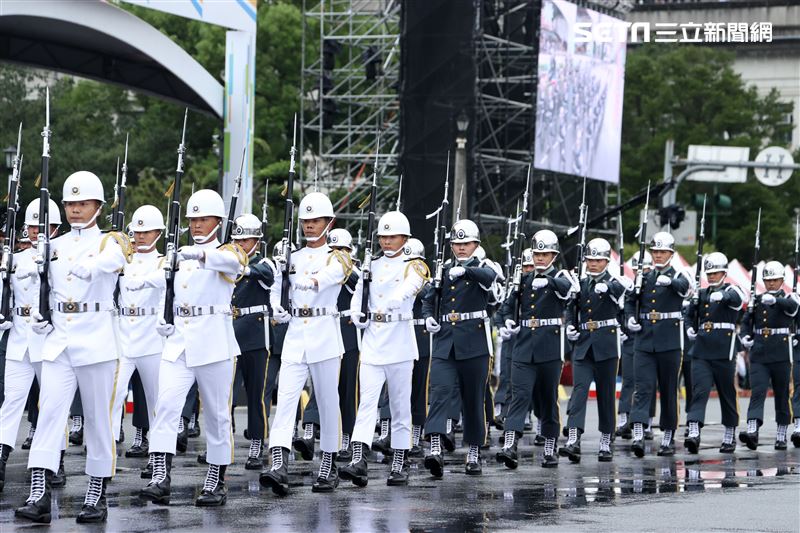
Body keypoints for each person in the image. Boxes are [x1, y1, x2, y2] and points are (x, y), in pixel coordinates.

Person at [16, 171, 128, 523]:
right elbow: (43, 287)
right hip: (58, 340)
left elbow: (117, 260)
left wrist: (90, 267)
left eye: (82, 203)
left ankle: (96, 493)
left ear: (97, 206)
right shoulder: (55, 245)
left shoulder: (110, 241)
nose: (75, 210)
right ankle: (38, 493)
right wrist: (37, 314)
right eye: (70, 204)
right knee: (48, 415)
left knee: (97, 420)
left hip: (95, 340)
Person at [139, 189, 245, 507]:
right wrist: (161, 317)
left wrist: (198, 255)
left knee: (216, 414)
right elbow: (166, 288)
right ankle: (160, 476)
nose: (196, 225)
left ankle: (215, 479)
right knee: (166, 406)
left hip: (214, 342)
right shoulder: (179, 255)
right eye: (193, 219)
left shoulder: (228, 252)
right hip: (179, 341)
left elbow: (235, 264)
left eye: (203, 219)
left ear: (217, 221)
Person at [260, 192, 352, 496]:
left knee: (327, 403)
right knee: (285, 400)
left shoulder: (338, 256)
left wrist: (301, 280)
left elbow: (325, 278)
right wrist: (277, 306)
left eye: (315, 221)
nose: (309, 226)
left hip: (325, 333)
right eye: (305, 221)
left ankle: (329, 464)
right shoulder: (292, 257)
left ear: (329, 222)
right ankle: (278, 464)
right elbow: (275, 288)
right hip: (296, 334)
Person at [340, 211, 427, 487]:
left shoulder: (414, 265)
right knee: (367, 403)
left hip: (400, 340)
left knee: (401, 407)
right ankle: (358, 459)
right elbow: (358, 296)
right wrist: (356, 314)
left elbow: (411, 288)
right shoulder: (372, 265)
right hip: (374, 340)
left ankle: (400, 462)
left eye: (392, 236)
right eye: (383, 237)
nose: (387, 241)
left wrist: (391, 301)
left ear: (404, 238)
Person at [422, 219, 498, 477]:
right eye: (457, 243)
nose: (461, 248)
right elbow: (429, 296)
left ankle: (474, 451)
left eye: (466, 243)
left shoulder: (484, 265)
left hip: (474, 342)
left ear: (476, 244)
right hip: (446, 340)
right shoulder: (444, 267)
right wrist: (428, 316)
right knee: (440, 391)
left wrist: (466, 271)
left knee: (473, 399)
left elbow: (490, 280)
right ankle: (435, 447)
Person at [0, 199, 65, 492]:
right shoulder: (14, 260)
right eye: (35, 225)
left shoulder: (61, 259)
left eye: (46, 226)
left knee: (51, 403)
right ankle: (1, 457)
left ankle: (56, 460)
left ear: (55, 227)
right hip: (19, 338)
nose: (39, 231)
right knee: (12, 400)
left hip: (49, 339)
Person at [496, 230, 573, 469]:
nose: (540, 258)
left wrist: (548, 281)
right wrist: (506, 322)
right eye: (537, 254)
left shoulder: (561, 275)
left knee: (547, 400)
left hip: (549, 349)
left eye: (544, 254)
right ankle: (510, 445)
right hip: (523, 347)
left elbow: (568, 290)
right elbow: (506, 308)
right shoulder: (523, 280)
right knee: (519, 397)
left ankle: (550, 447)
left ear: (554, 255)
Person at [625, 231, 692, 458]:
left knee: (668, 390)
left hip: (670, 342)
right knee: (642, 388)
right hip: (644, 341)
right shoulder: (644, 276)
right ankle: (637, 433)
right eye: (655, 252)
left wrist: (671, 282)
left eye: (663, 252)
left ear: (671, 254)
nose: (658, 256)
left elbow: (685, 288)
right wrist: (630, 319)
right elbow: (630, 300)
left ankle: (668, 435)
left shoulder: (680, 273)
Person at [562, 238, 629, 463]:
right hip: (583, 343)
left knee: (606, 393)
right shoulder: (580, 282)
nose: (593, 264)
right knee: (579, 390)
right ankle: (573, 437)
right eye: (590, 259)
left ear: (607, 261)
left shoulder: (614, 280)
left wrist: (607, 287)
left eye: (598, 260)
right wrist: (570, 326)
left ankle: (606, 439)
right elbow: (571, 308)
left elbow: (623, 290)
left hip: (606, 344)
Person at [110, 205, 166, 473]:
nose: (141, 236)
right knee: (113, 394)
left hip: (151, 334)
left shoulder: (163, 262)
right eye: (138, 231)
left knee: (157, 400)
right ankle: (106, 452)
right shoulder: (123, 260)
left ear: (158, 233)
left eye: (147, 231)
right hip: (123, 333)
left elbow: (166, 284)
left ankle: (157, 459)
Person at [298, 228, 361, 463]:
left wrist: (347, 266)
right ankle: (309, 433)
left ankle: (345, 439)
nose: (338, 254)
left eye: (342, 250)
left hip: (348, 330)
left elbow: (355, 283)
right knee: (322, 387)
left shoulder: (352, 271)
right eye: (334, 250)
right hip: (325, 328)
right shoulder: (320, 266)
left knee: (346, 388)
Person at [683, 252, 743, 454]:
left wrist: (723, 295)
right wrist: (690, 327)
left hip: (723, 350)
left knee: (727, 393)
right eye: (709, 273)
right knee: (699, 391)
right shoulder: (701, 293)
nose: (712, 276)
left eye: (716, 273)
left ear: (724, 273)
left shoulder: (732, 289)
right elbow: (689, 314)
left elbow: (738, 299)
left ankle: (729, 433)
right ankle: (693, 432)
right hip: (701, 349)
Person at [229, 213, 274, 469]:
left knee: (256, 394)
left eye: (244, 241)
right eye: (237, 240)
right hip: (230, 333)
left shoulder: (264, 262)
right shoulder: (230, 260)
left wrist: (243, 267)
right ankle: (225, 442)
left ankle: (257, 444)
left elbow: (265, 275)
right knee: (226, 394)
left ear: (256, 241)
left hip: (256, 336)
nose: (239, 245)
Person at [739, 260, 798, 450]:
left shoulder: (790, 296)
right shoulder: (757, 299)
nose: (771, 283)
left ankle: (781, 434)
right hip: (759, 352)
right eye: (768, 280)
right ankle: (752, 430)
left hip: (781, 352)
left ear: (782, 280)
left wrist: (776, 300)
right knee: (757, 391)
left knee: (782, 394)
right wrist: (745, 336)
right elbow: (747, 321)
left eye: (774, 280)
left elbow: (792, 309)